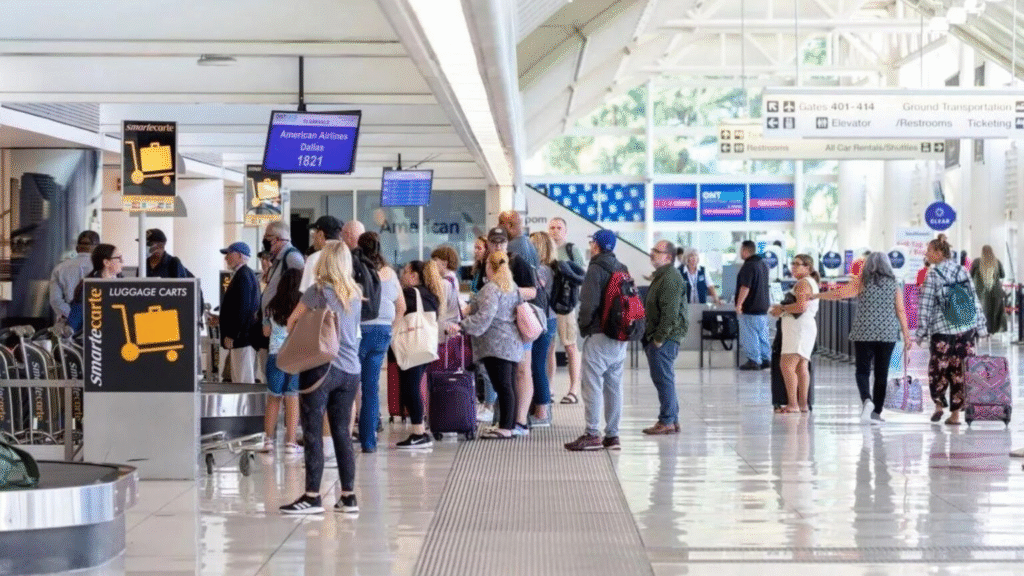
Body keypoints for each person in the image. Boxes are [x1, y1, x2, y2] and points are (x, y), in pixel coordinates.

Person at [279, 241, 362, 515]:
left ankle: (312, 496)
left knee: (313, 431)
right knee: (342, 433)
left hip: (322, 368)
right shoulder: (355, 293)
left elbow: (291, 322)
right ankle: (348, 496)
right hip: (351, 370)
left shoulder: (317, 292)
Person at [813, 252, 912, 424]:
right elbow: (901, 310)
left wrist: (817, 296)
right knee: (881, 373)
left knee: (862, 370)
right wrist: (907, 335)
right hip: (887, 333)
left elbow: (839, 294)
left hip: (863, 331)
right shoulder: (893, 284)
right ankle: (876, 413)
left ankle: (867, 400)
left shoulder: (862, 282)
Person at [448, 251, 523, 439]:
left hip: (496, 344)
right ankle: (509, 425)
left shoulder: (492, 288)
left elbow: (484, 318)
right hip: (512, 342)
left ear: (490, 266)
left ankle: (505, 428)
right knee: (509, 386)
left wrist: (461, 326)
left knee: (503, 387)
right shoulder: (511, 286)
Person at [565, 230, 628, 452]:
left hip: (600, 334)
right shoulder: (622, 267)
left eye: (592, 242)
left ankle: (592, 434)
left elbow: (588, 303)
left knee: (591, 384)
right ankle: (612, 436)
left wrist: (584, 328)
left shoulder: (595, 268)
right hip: (620, 335)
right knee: (614, 386)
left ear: (595, 246)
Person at [917, 236, 987, 425]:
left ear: (939, 253)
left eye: (929, 251)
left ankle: (939, 405)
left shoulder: (933, 274)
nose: (926, 254)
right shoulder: (962, 270)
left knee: (938, 369)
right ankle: (955, 416)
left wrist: (921, 332)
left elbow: (925, 305)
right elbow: (973, 299)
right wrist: (981, 327)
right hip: (965, 330)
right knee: (960, 372)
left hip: (942, 331)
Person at [480, 227, 537, 435]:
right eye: (494, 242)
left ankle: (520, 421)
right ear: (488, 244)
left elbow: (533, 291)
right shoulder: (486, 263)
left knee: (522, 370)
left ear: (507, 243)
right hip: (497, 328)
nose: (498, 246)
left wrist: (506, 290)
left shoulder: (517, 261)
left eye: (502, 242)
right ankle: (507, 421)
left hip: (518, 324)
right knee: (505, 377)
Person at [357, 232, 404, 453]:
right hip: (383, 331)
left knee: (350, 385)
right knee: (371, 387)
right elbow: (401, 306)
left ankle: (343, 436)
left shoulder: (357, 270)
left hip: (359, 330)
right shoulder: (390, 273)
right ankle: (369, 441)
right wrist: (391, 331)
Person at [394, 259, 446, 449]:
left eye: (406, 271)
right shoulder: (431, 294)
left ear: (414, 275)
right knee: (412, 387)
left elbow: (398, 312)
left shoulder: (410, 294)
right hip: (424, 346)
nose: (403, 275)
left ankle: (419, 433)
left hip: (412, 346)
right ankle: (419, 432)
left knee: (410, 388)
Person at [642, 240, 687, 435]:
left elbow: (670, 314)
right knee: (664, 379)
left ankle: (667, 420)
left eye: (656, 251)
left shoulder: (669, 278)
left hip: (664, 339)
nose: (652, 253)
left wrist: (658, 339)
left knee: (663, 380)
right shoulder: (662, 276)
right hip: (661, 336)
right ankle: (672, 420)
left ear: (668, 257)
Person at [769, 254, 820, 413]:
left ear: (807, 267)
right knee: (801, 367)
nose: (793, 267)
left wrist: (782, 309)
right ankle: (802, 404)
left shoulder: (804, 283)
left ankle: (793, 404)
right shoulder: (808, 282)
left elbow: (801, 307)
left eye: (798, 264)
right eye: (792, 263)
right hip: (802, 328)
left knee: (787, 365)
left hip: (798, 329)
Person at [261, 267, 302, 453]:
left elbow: (265, 332)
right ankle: (291, 443)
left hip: (275, 356)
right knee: (292, 398)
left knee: (273, 398)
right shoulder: (302, 307)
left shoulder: (271, 306)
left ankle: (268, 440)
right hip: (295, 356)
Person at [547, 217, 584, 405]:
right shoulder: (546, 249)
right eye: (552, 227)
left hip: (565, 304)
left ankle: (573, 389)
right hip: (548, 304)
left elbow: (581, 276)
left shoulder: (571, 250)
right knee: (549, 346)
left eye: (559, 227)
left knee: (570, 345)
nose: (555, 231)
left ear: (565, 231)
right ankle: (549, 388)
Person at [261, 222, 304, 383]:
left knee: (280, 384)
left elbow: (298, 288)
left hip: (282, 327)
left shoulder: (292, 257)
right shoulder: (279, 259)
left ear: (278, 239)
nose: (265, 241)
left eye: (268, 237)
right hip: (274, 323)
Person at [219, 242, 261, 385]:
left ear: (239, 256)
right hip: (243, 337)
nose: (226, 258)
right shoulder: (244, 274)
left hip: (242, 338)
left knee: (242, 381)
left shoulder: (243, 276)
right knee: (240, 379)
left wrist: (232, 334)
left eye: (229, 254)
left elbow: (243, 308)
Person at [528, 231, 557, 426]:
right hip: (549, 318)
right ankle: (541, 408)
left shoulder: (541, 270)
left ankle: (542, 411)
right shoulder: (551, 269)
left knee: (537, 365)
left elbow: (534, 292)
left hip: (542, 320)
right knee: (538, 363)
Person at [50, 230, 99, 330]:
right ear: (97, 249)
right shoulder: (102, 268)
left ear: (77, 248)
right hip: (97, 321)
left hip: (68, 324)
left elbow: (55, 300)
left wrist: (74, 316)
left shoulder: (59, 268)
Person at [735, 240, 771, 370]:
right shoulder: (763, 264)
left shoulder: (749, 266)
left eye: (741, 250)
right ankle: (766, 359)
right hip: (763, 307)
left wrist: (739, 304)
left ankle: (754, 360)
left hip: (751, 307)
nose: (740, 253)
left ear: (745, 251)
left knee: (750, 335)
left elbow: (745, 287)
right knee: (762, 334)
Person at [69, 244, 124, 326]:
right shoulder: (89, 287)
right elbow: (75, 320)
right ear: (106, 262)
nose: (123, 261)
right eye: (119, 258)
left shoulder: (123, 283)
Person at [300, 216, 343, 293]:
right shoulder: (347, 257)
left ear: (320, 234)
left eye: (314, 232)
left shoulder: (314, 259)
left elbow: (306, 293)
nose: (313, 237)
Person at [971, 245, 1007, 334]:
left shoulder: (976, 262)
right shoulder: (997, 262)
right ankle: (993, 331)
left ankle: (982, 331)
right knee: (994, 313)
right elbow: (1003, 275)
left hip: (980, 293)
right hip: (995, 293)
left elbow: (970, 275)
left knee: (981, 312)